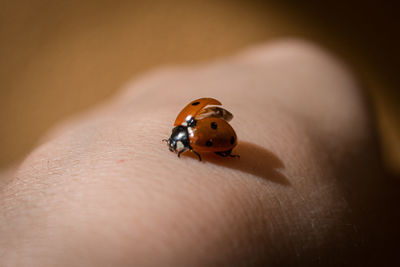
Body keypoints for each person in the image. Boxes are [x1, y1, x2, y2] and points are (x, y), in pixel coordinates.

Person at [0, 40, 398, 266]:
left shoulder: (195, 137)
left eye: (178, 145)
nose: (178, 148)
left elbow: (214, 132)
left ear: (181, 138)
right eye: (179, 145)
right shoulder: (193, 136)